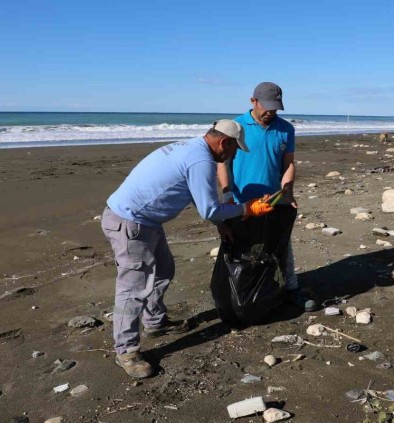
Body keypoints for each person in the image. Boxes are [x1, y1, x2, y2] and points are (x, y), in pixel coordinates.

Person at [102, 120, 274, 379]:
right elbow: (208, 208)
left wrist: (220, 225)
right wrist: (246, 208)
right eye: (234, 150)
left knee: (163, 271)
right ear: (223, 142)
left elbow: (197, 195)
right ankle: (126, 351)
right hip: (131, 223)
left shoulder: (191, 148)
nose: (233, 156)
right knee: (133, 289)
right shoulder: (201, 160)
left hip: (145, 221)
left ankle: (155, 323)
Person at [217, 82, 319, 312]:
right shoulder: (236, 126)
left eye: (275, 108)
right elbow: (223, 163)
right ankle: (238, 296)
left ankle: (291, 289)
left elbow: (288, 163)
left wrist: (287, 191)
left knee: (281, 247)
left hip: (272, 201)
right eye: (267, 107)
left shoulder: (285, 129)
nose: (270, 112)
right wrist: (227, 194)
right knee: (238, 251)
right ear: (253, 101)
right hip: (241, 203)